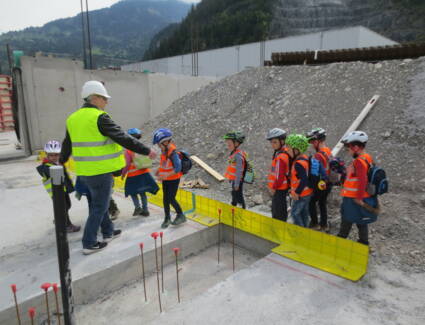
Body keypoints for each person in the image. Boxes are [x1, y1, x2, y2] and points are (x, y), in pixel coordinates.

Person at [61, 80, 156, 255]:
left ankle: (108, 232)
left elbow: (67, 143)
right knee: (99, 206)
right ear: (95, 98)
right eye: (104, 98)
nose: (107, 101)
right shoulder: (100, 117)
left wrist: (61, 160)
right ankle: (89, 243)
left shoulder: (72, 118)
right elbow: (123, 138)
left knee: (100, 204)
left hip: (84, 171)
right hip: (101, 171)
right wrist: (146, 150)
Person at [337, 131, 375, 245]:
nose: (348, 150)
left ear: (356, 147)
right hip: (361, 197)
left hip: (353, 198)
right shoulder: (367, 157)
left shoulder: (359, 161)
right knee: (361, 220)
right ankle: (363, 242)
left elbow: (363, 180)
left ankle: (340, 239)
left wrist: (358, 198)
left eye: (348, 147)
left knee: (346, 219)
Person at [36, 140, 81, 233]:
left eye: (56, 155)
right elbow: (51, 174)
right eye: (51, 155)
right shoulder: (46, 167)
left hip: (62, 190)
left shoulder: (58, 163)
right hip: (56, 192)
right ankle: (67, 225)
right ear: (47, 155)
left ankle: (58, 220)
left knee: (67, 205)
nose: (54, 157)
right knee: (63, 207)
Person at [153, 128, 186, 229]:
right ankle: (167, 218)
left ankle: (181, 215)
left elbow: (178, 168)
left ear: (166, 142)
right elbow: (164, 164)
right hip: (166, 180)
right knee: (165, 199)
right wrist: (159, 171)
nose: (159, 147)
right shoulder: (164, 152)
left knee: (171, 198)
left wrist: (166, 175)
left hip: (174, 180)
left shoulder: (173, 153)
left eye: (159, 144)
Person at [122, 128, 159, 216]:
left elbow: (126, 165)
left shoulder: (128, 151)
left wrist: (123, 174)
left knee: (132, 192)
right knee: (143, 192)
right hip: (144, 173)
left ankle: (137, 208)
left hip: (133, 175)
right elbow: (151, 157)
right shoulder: (143, 147)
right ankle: (145, 210)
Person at [306, 128, 332, 231]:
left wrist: (310, 185)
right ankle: (324, 224)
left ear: (318, 141)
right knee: (322, 203)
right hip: (328, 183)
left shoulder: (318, 155)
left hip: (320, 184)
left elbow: (315, 174)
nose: (312, 144)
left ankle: (315, 224)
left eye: (313, 142)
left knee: (311, 202)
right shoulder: (328, 151)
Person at [286, 134, 313, 227]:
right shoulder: (305, 158)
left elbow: (303, 179)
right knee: (304, 213)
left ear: (297, 150)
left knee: (295, 213)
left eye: (289, 149)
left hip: (301, 194)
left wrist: (297, 192)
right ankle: (305, 229)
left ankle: (300, 234)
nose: (287, 151)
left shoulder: (298, 164)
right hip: (307, 192)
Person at [266, 128, 291, 221]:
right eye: (271, 142)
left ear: (282, 141)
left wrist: (273, 187)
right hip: (280, 188)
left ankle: (279, 230)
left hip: (279, 188)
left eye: (275, 142)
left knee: (278, 212)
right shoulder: (281, 153)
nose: (272, 145)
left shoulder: (281, 156)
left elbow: (279, 176)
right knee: (278, 209)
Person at [223, 131, 247, 209]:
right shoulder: (235, 153)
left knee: (238, 196)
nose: (228, 145)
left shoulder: (238, 156)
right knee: (234, 195)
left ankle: (242, 210)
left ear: (236, 143)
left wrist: (236, 184)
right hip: (234, 180)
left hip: (237, 181)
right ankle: (233, 207)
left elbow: (239, 171)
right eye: (227, 144)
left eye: (229, 144)